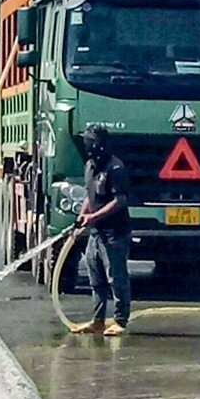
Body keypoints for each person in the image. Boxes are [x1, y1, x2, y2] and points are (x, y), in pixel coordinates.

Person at [70, 124, 131, 336]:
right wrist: (82, 214)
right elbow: (91, 195)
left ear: (102, 144)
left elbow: (119, 201)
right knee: (96, 279)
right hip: (96, 233)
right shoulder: (90, 165)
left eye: (92, 141)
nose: (88, 145)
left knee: (116, 277)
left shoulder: (115, 168)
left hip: (115, 233)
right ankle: (97, 320)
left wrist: (93, 217)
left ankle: (120, 320)